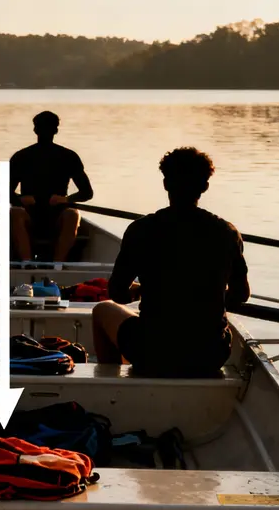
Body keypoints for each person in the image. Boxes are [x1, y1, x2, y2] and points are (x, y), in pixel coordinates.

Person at [92, 147, 249, 378]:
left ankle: (115, 387)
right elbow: (240, 295)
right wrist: (204, 292)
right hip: (210, 354)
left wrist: (139, 291)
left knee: (102, 310)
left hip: (152, 351)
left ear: (166, 184)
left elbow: (117, 293)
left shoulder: (141, 230)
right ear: (204, 186)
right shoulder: (227, 232)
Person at [9, 111, 94, 262]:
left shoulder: (69, 157)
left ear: (55, 130)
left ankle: (58, 264)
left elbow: (87, 192)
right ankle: (27, 262)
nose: (45, 132)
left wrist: (66, 199)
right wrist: (20, 199)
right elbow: (2, 194)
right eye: (42, 128)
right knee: (15, 212)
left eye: (48, 128)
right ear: (35, 130)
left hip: (57, 216)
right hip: (30, 215)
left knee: (72, 214)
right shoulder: (21, 157)